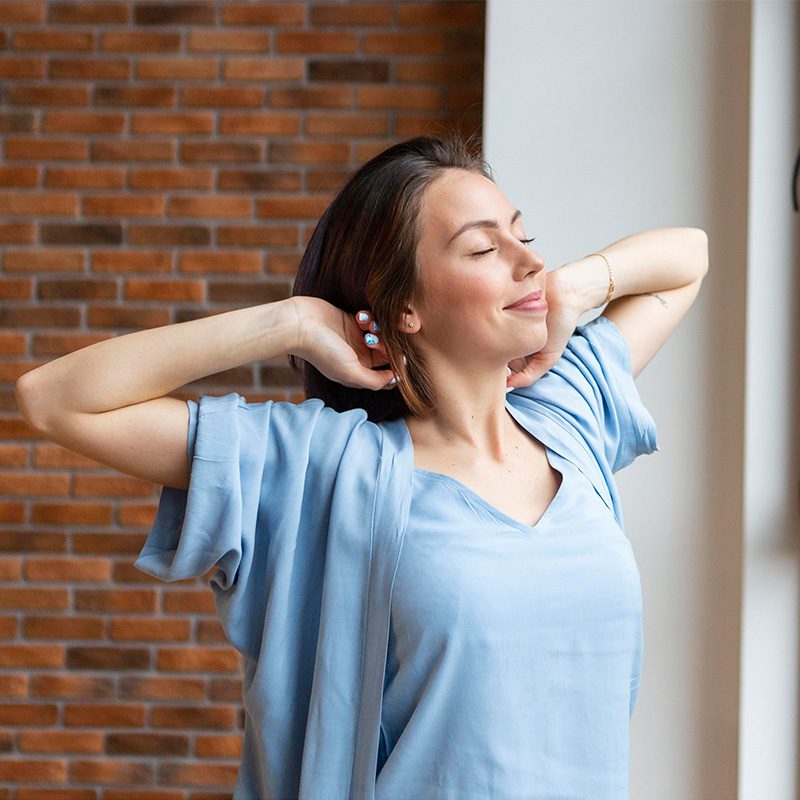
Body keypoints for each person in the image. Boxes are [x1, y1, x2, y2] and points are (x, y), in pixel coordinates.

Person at [15, 133, 709, 800]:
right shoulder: (317, 469)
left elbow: (689, 257)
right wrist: (292, 323)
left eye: (523, 237)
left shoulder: (571, 418)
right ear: (404, 306)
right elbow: (55, 401)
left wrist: (574, 289)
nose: (529, 264)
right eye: (482, 248)